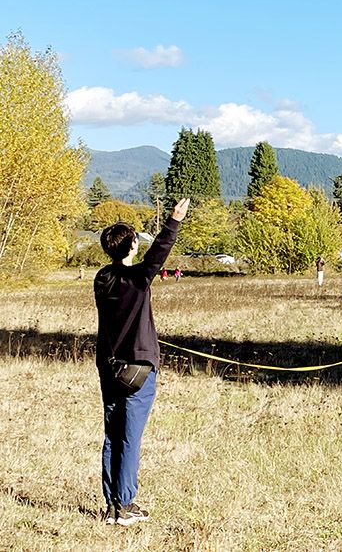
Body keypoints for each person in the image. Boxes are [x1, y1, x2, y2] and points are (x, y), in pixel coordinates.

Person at [94, 198, 190, 526]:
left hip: (109, 367)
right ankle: (125, 505)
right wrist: (174, 221)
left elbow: (147, 261)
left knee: (112, 434)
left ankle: (111, 505)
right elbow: (157, 255)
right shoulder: (136, 279)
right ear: (133, 244)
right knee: (130, 437)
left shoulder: (101, 278)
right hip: (138, 369)